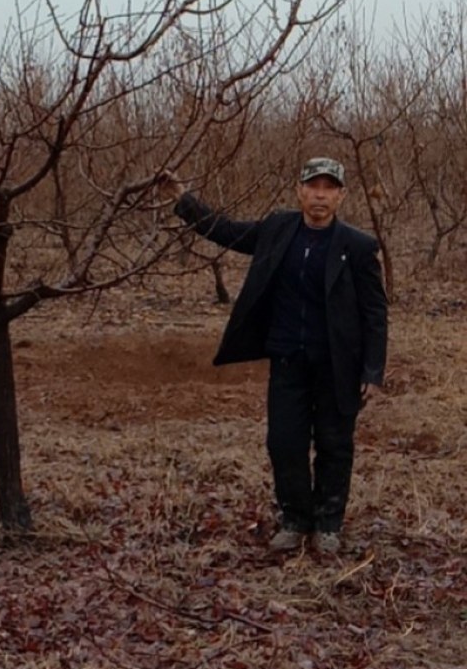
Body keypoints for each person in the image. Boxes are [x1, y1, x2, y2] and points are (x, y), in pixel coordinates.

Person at [158, 157, 388, 556]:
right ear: (299, 191)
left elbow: (374, 313)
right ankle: (296, 518)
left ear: (341, 195)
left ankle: (329, 523)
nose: (320, 195)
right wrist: (183, 198)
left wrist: (372, 369)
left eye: (329, 188)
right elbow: (225, 231)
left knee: (335, 445)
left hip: (338, 365)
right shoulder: (277, 230)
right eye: (313, 187)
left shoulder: (358, 246)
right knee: (284, 443)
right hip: (287, 361)